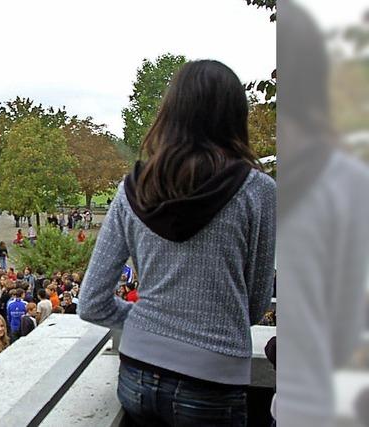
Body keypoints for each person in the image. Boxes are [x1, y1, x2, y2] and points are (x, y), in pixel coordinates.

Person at [78, 60, 276, 427]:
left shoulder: (132, 189)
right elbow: (255, 304)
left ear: (171, 112)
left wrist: (145, 320)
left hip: (136, 374)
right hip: (214, 380)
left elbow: (90, 303)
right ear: (235, 115)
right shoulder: (258, 191)